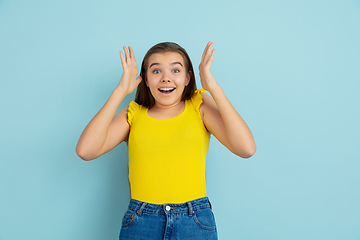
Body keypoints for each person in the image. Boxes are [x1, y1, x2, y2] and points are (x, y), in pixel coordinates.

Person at [76, 41, 256, 239]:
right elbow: (86, 151)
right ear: (145, 79)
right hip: (142, 221)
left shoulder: (199, 106)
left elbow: (246, 148)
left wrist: (213, 87)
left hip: (193, 220)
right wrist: (119, 92)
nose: (166, 78)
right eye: (156, 71)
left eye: (175, 70)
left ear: (188, 77)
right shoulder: (133, 115)